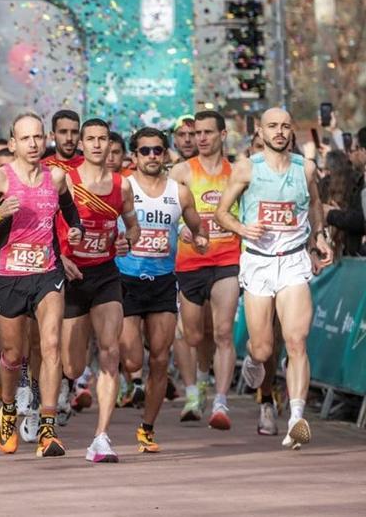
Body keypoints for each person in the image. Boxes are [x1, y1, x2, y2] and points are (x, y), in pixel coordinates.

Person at [0, 111, 83, 458]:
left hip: (48, 273)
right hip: (10, 275)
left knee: (50, 345)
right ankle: (9, 410)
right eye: (25, 138)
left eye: (38, 137)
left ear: (44, 139)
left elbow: (70, 213)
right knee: (13, 354)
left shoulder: (57, 177)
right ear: (13, 143)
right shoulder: (0, 179)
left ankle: (48, 428)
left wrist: (75, 229)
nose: (33, 144)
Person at [215, 107, 333, 450]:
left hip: (294, 260)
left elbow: (315, 203)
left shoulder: (305, 168)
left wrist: (319, 235)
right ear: (261, 132)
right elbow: (221, 212)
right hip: (258, 263)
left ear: (291, 131)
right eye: (272, 127)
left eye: (284, 126)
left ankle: (296, 418)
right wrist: (242, 227)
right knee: (264, 347)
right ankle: (253, 358)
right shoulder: (247, 168)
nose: (279, 132)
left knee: (296, 341)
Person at [116, 127, 207, 455]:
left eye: (157, 150)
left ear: (166, 154)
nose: (152, 156)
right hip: (126, 280)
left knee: (159, 357)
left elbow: (199, 227)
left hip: (164, 281)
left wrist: (199, 238)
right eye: (145, 151)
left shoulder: (180, 193)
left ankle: (147, 427)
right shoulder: (123, 187)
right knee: (130, 357)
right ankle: (132, 382)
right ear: (134, 156)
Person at [57, 118, 139, 463]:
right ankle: (66, 384)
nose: (95, 144)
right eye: (89, 139)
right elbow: (44, 225)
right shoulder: (67, 182)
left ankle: (101, 437)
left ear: (109, 144)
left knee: (110, 352)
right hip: (73, 278)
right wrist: (61, 255)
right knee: (73, 366)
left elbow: (132, 226)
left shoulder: (122, 186)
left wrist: (127, 241)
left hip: (106, 274)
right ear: (81, 144)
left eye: (101, 139)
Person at [170, 109, 241, 428]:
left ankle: (220, 403)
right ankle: (193, 389)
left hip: (227, 259)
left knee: (223, 331)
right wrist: (179, 229)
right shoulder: (182, 171)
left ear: (222, 135)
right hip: (189, 263)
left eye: (207, 132)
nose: (200, 138)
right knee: (193, 334)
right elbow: (165, 210)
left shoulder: (237, 172)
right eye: (197, 132)